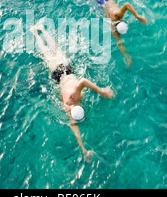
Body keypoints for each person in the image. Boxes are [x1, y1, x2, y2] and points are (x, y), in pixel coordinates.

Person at [30, 23, 114, 162]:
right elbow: (74, 128)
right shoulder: (68, 108)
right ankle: (38, 31)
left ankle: (39, 30)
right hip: (59, 74)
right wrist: (83, 150)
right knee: (49, 51)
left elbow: (83, 82)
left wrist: (101, 91)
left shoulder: (75, 97)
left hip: (63, 71)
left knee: (52, 50)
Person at [77, 0, 148, 66]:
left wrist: (138, 16)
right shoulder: (113, 29)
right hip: (101, 4)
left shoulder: (118, 15)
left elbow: (127, 5)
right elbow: (119, 43)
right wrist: (126, 55)